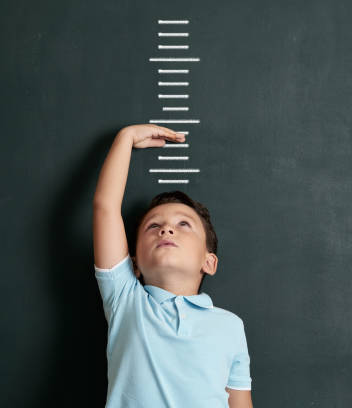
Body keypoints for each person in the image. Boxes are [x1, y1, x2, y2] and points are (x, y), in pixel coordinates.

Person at [93, 124, 253, 408]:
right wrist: (125, 138)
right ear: (134, 264)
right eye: (153, 226)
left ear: (209, 261)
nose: (166, 229)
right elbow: (106, 207)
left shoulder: (231, 326)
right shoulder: (126, 300)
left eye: (183, 224)